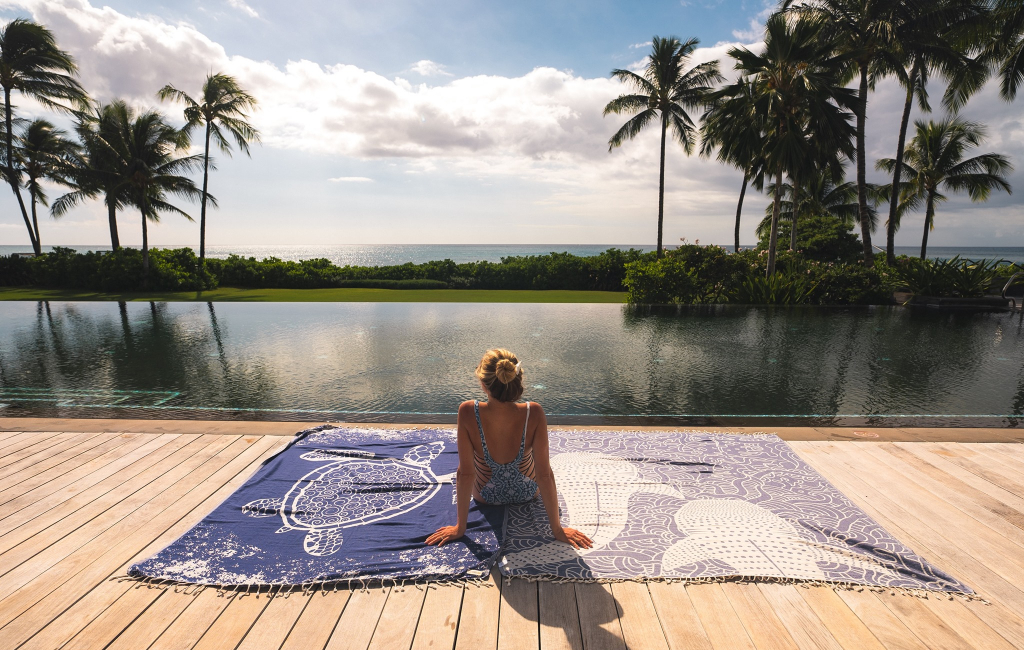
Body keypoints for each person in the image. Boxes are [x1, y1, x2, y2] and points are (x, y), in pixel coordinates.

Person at [426, 348, 594, 550]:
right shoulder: (534, 412)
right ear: (517, 379)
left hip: (486, 496)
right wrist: (557, 529)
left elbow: (465, 473)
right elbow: (544, 475)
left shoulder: (468, 411)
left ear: (483, 383)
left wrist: (460, 528)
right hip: (528, 492)